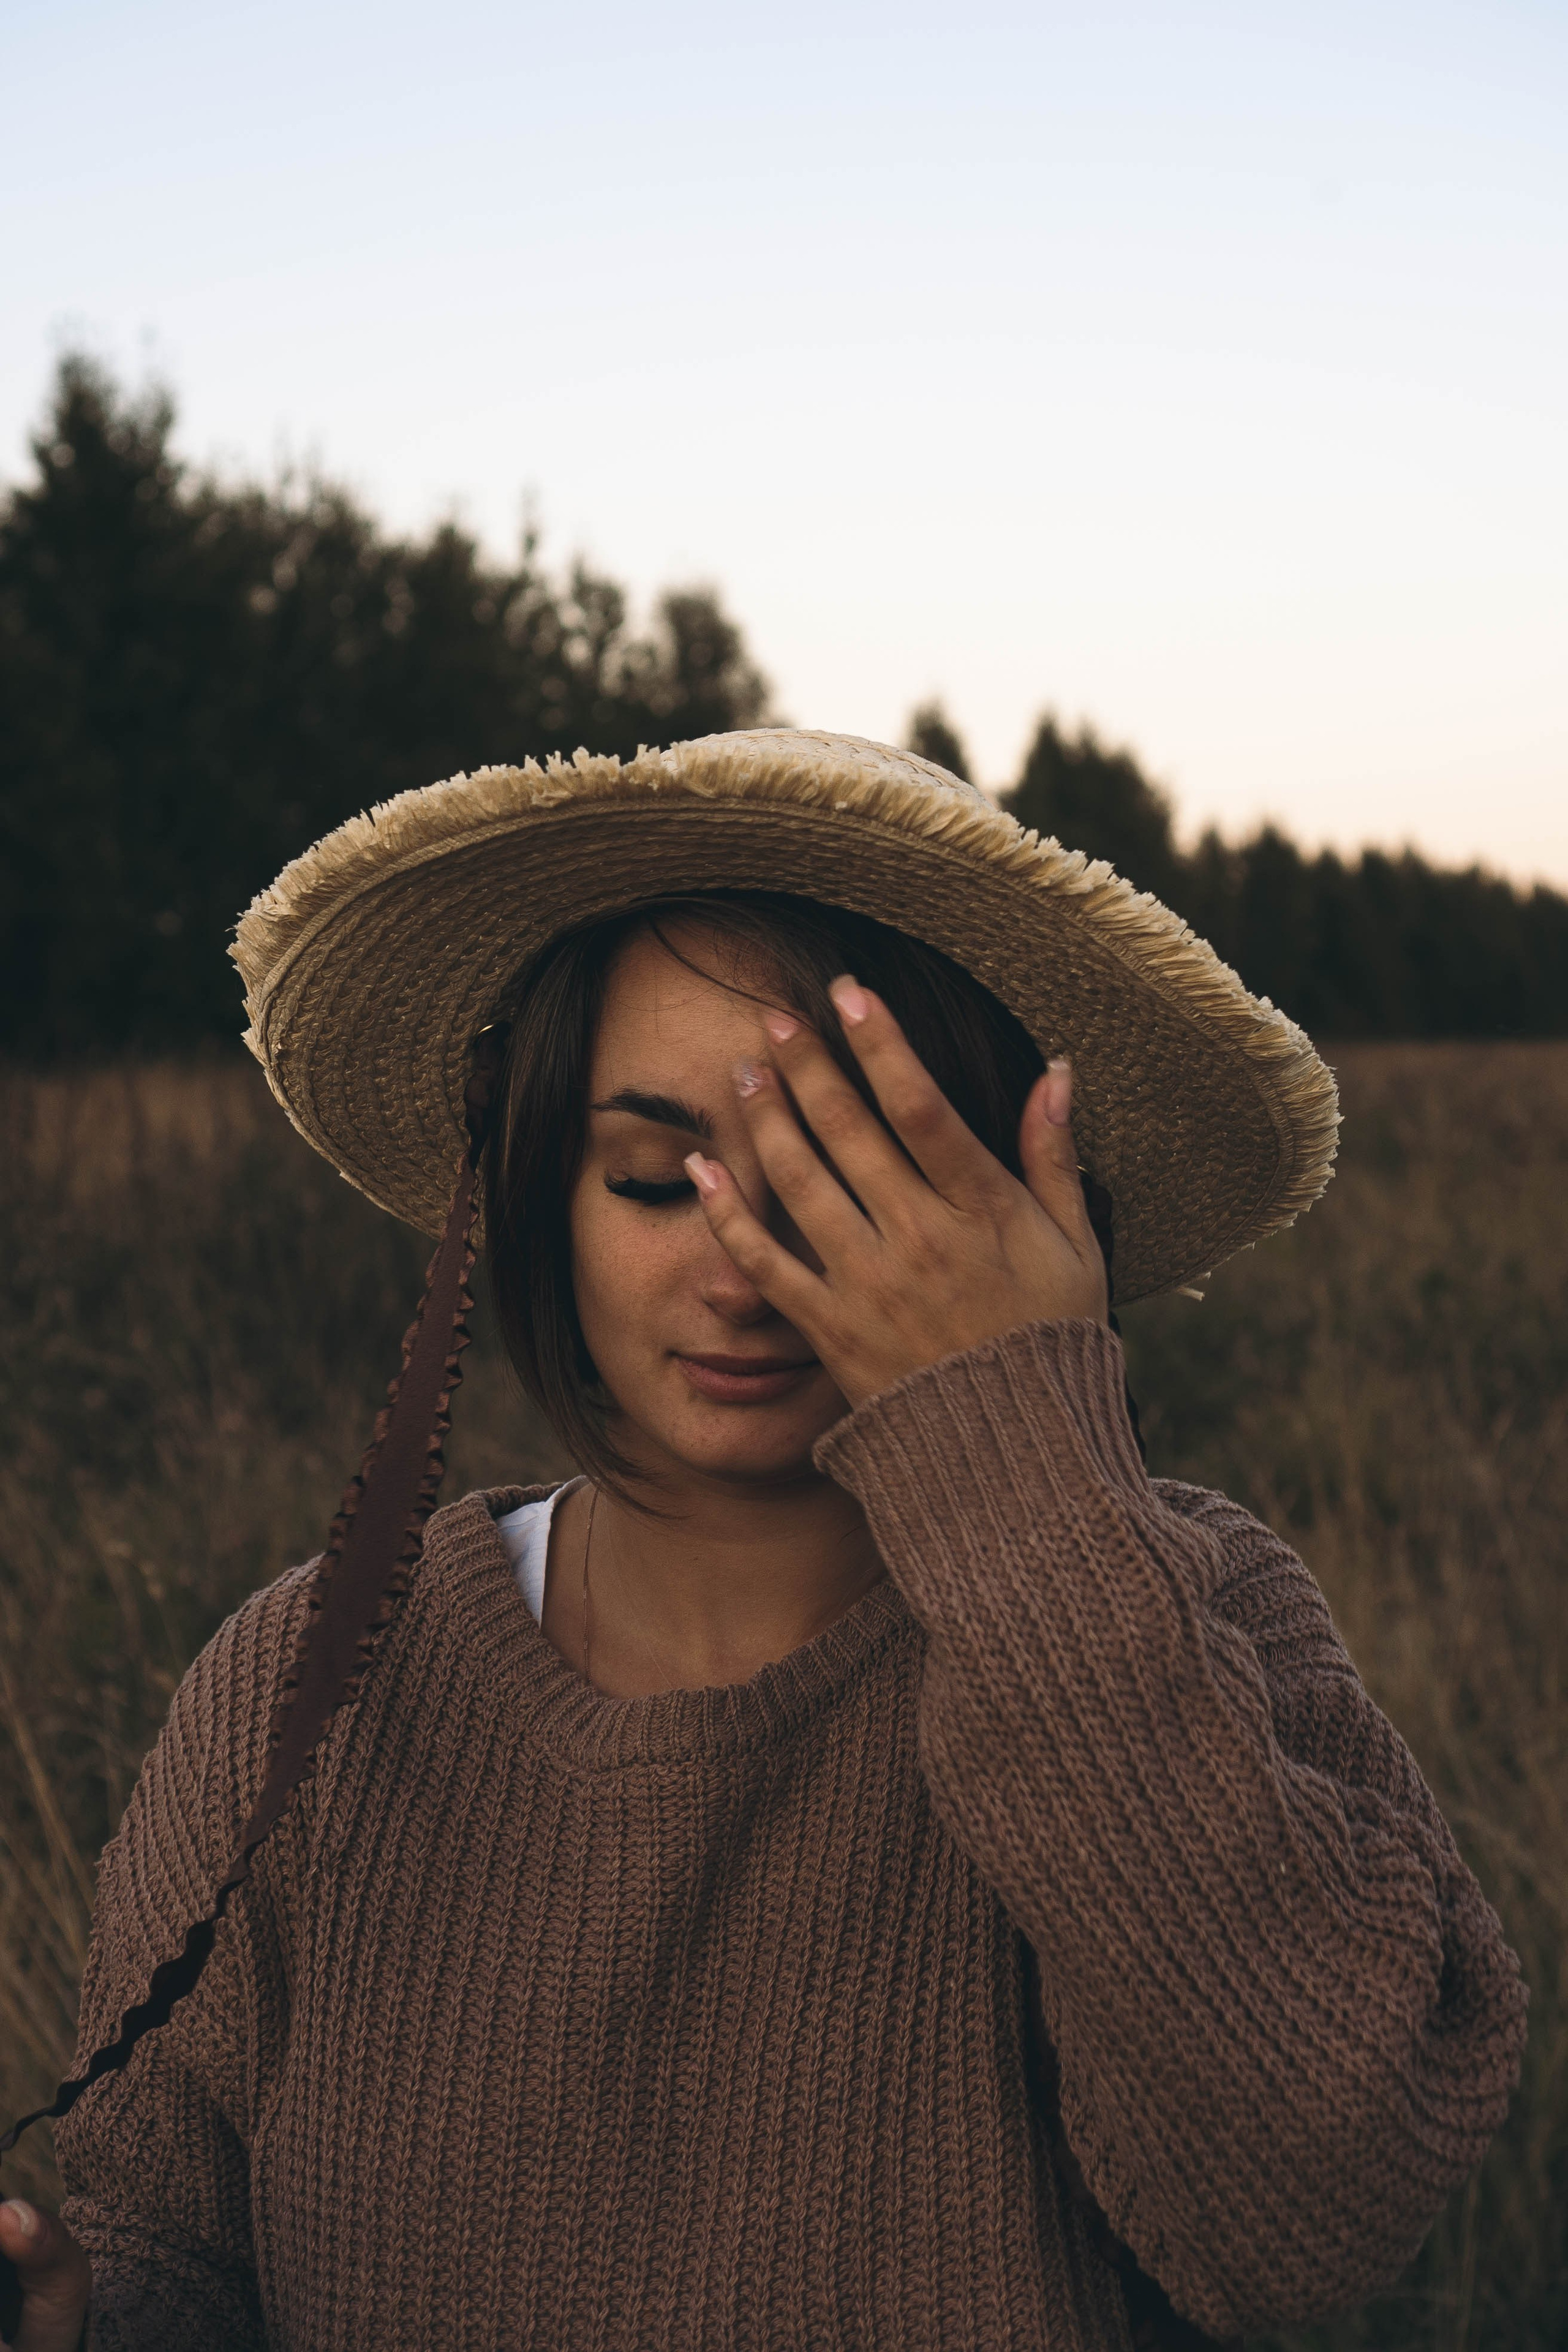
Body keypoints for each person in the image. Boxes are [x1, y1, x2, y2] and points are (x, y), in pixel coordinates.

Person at [0, 732, 1525, 2351]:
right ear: (536, 1194)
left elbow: (1318, 2212)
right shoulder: (309, 1686)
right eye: (658, 1181)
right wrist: (84, 2313)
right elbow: (173, 2241)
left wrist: (1023, 1466)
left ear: (1015, 1204)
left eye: (850, 1184)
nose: (741, 1271)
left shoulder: (1193, 1613)